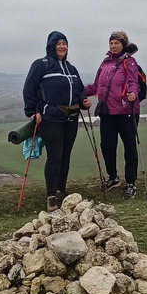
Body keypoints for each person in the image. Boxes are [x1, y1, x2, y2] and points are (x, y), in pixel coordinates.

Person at [22, 31, 90, 211]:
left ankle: (61, 190)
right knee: (55, 156)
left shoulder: (71, 68)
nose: (62, 46)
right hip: (50, 117)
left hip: (71, 117)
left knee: (66, 154)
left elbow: (79, 90)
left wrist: (83, 102)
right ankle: (51, 196)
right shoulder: (41, 65)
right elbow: (29, 88)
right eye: (58, 43)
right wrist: (32, 112)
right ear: (51, 46)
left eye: (64, 43)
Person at [85, 30, 140, 198]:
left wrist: (133, 93)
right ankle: (113, 177)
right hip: (107, 112)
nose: (113, 46)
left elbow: (133, 82)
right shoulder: (105, 63)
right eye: (111, 43)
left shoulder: (129, 62)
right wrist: (77, 92)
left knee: (129, 147)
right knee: (107, 146)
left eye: (116, 43)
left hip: (126, 111)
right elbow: (96, 86)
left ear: (123, 44)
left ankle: (131, 183)